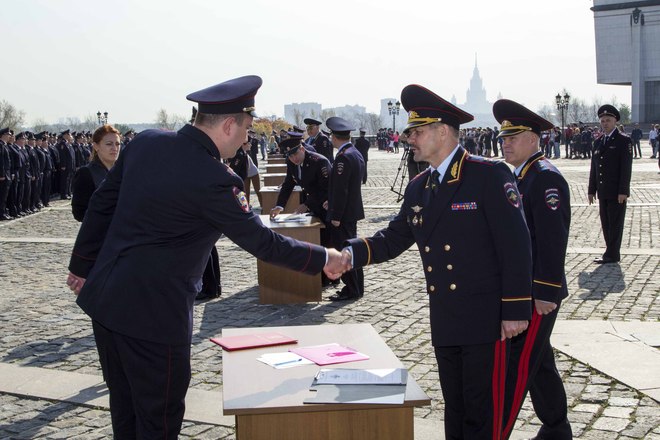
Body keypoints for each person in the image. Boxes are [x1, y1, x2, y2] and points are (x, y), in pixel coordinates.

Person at [65, 75, 346, 439]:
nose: (246, 139)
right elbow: (262, 242)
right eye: (245, 129)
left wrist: (81, 266)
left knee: (126, 409)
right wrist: (323, 257)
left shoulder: (146, 142)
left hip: (106, 303)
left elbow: (102, 204)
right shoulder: (215, 178)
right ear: (228, 125)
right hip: (156, 317)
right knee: (158, 420)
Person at [340, 84, 532, 439]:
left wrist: (516, 308)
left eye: (417, 131)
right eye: (409, 131)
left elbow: (516, 245)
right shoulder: (419, 187)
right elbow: (393, 238)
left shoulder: (488, 175)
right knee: (455, 409)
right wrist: (348, 254)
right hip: (445, 315)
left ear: (442, 132)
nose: (408, 138)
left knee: (482, 412)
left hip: (485, 319)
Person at [493, 99, 573, 440]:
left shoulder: (544, 178)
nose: (505, 144)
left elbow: (553, 242)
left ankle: (498, 431)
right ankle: (557, 428)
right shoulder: (521, 176)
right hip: (523, 289)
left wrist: (545, 292)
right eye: (503, 138)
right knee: (539, 362)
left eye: (513, 137)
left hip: (536, 293)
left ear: (533, 139)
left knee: (519, 365)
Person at [324, 116, 365, 301]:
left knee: (344, 251)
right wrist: (331, 202)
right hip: (351, 211)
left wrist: (336, 214)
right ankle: (356, 287)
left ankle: (352, 289)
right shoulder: (354, 152)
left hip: (344, 215)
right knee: (351, 249)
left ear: (334, 137)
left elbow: (342, 190)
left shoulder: (343, 157)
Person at [588, 104, 633, 264]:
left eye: (608, 120)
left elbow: (626, 168)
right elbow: (594, 168)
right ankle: (610, 251)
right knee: (606, 222)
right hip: (603, 190)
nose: (605, 123)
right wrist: (591, 190)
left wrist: (623, 191)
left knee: (615, 223)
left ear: (615, 121)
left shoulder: (623, 141)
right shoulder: (598, 142)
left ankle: (612, 254)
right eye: (602, 120)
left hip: (616, 191)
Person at [71, 125, 121, 222]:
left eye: (117, 144)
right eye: (109, 144)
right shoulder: (86, 173)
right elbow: (79, 212)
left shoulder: (121, 172)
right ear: (96, 146)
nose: (114, 148)